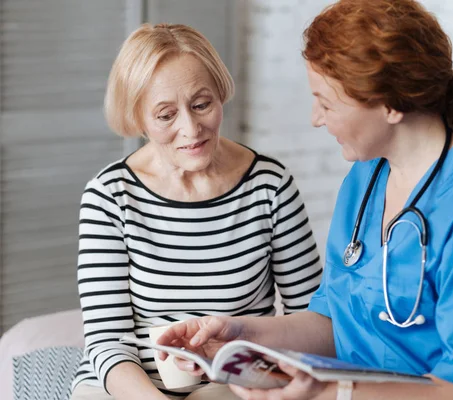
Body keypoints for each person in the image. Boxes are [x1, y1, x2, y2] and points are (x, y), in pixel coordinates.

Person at [156, 1, 453, 399]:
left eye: (327, 103)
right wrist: (239, 333)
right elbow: (334, 322)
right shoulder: (367, 178)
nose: (316, 118)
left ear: (390, 105)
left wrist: (335, 393)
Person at [70, 23, 323, 400]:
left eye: (201, 104)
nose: (191, 129)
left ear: (220, 94)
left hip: (232, 383)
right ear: (138, 118)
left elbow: (313, 319)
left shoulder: (270, 185)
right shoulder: (109, 195)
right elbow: (107, 340)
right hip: (130, 386)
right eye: (166, 115)